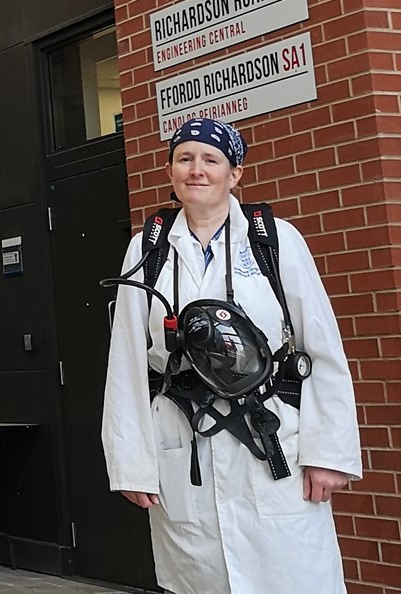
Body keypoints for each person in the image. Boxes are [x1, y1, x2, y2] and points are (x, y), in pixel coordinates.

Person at [101, 117, 361, 594]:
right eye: (184, 158)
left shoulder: (274, 240)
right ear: (171, 170)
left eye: (211, 160)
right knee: (201, 580)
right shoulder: (149, 248)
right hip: (185, 440)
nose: (196, 170)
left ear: (234, 174)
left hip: (272, 442)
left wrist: (329, 453)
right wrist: (131, 462)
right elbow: (127, 362)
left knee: (295, 577)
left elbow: (320, 347)